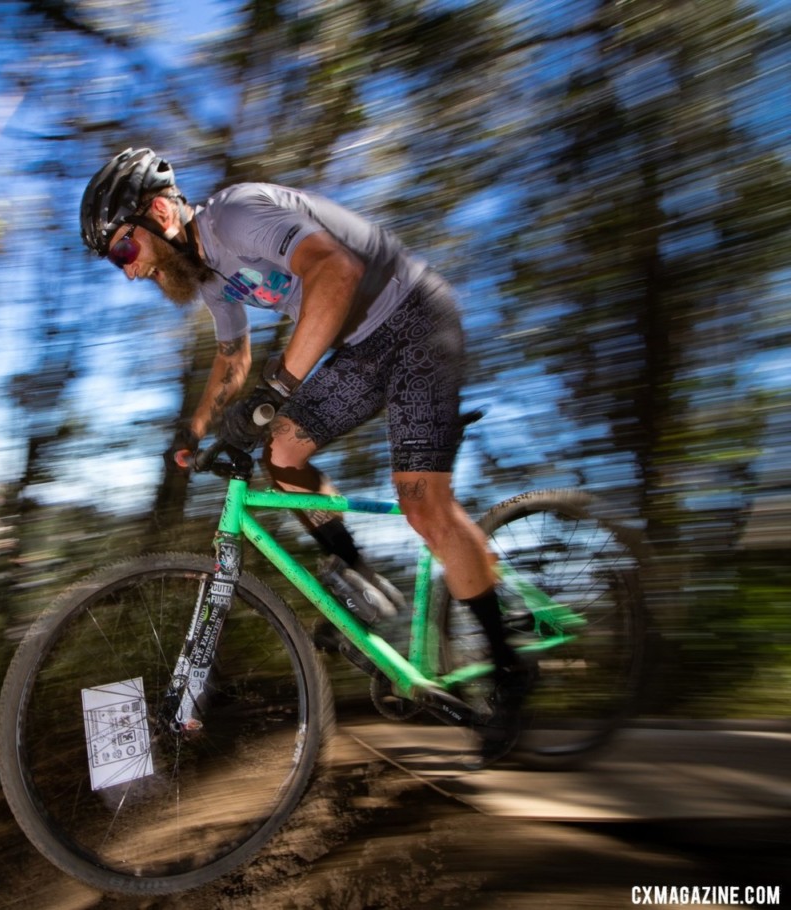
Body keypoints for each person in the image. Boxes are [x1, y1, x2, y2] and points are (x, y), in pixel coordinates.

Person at [79, 147, 533, 760]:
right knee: (283, 452)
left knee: (422, 502)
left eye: (123, 250)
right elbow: (232, 358)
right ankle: (366, 582)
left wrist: (278, 390)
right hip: (361, 348)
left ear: (159, 212)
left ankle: (510, 671)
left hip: (417, 321)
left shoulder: (236, 216)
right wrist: (197, 428)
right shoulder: (208, 271)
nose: (127, 271)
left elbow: (335, 271)